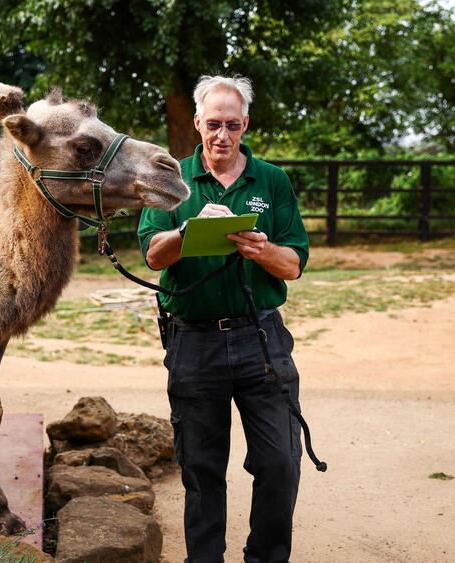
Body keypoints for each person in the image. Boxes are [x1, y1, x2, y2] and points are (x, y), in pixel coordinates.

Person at [137, 75, 309, 563]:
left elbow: (293, 264)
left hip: (263, 341)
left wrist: (263, 251)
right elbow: (151, 255)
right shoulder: (170, 177)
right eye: (214, 124)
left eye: (233, 125)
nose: (223, 135)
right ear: (197, 123)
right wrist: (188, 231)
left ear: (245, 124)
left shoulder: (272, 180)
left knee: (280, 463)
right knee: (202, 469)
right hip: (194, 343)